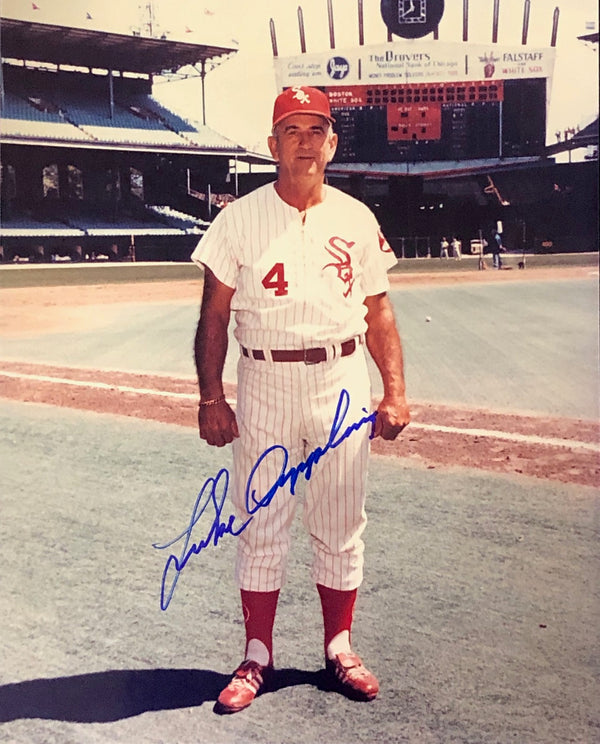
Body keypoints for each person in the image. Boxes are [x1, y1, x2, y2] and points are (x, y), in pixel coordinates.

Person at [191, 85, 410, 715]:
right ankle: (257, 653)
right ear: (273, 145)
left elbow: (379, 311)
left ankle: (339, 645)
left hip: (341, 380)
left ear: (332, 143)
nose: (306, 141)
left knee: (340, 521)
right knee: (262, 521)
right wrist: (212, 395)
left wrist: (393, 389)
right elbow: (214, 316)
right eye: (293, 130)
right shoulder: (238, 219)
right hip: (265, 382)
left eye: (316, 130)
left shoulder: (356, 218)